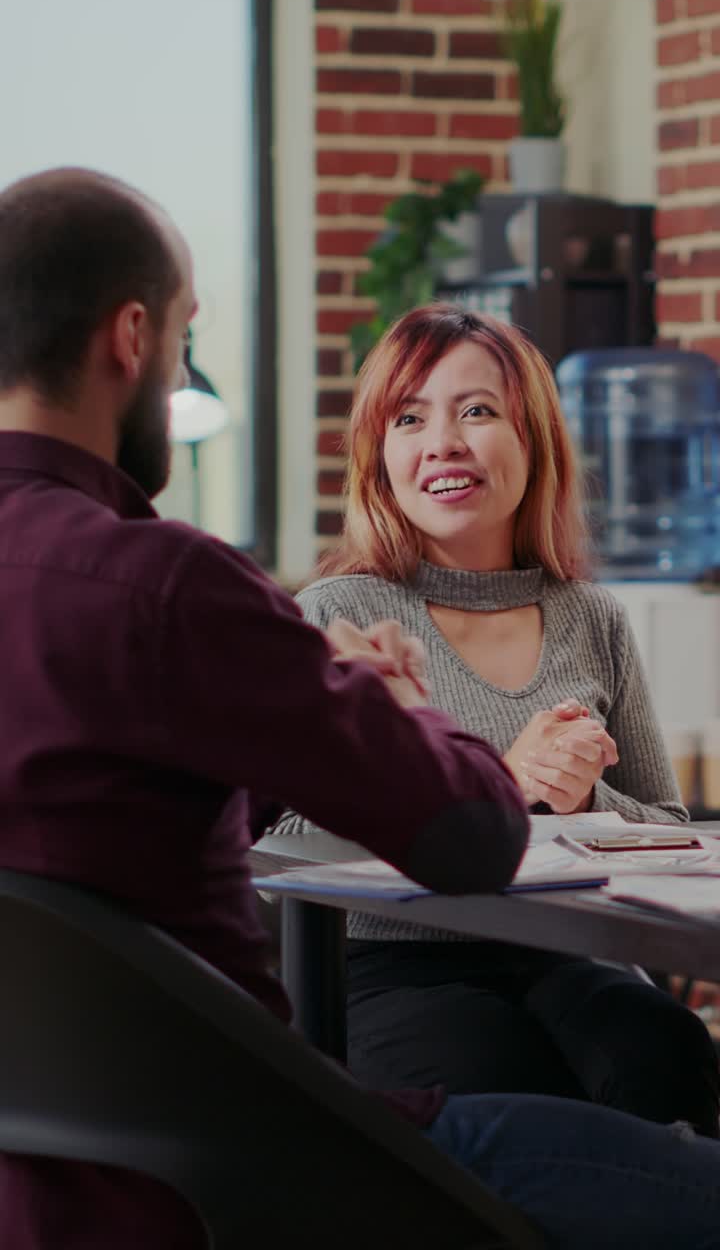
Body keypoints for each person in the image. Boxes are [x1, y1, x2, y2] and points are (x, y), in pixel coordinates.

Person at [0, 169, 717, 1250]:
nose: (184, 374)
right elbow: (470, 834)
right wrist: (391, 709)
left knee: (651, 1053)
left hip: (69, 1173)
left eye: (480, 412)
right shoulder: (173, 587)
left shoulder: (587, 614)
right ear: (132, 337)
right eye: (188, 336)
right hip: (254, 1148)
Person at [271, 303, 720, 1138]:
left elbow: (668, 827)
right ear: (380, 455)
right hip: (392, 963)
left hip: (565, 952)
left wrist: (585, 799)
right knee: (517, 1098)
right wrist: (487, 785)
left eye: (476, 411)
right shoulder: (338, 612)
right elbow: (285, 834)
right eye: (409, 419)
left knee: (668, 1052)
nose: (442, 442)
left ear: (532, 439)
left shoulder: (591, 616)